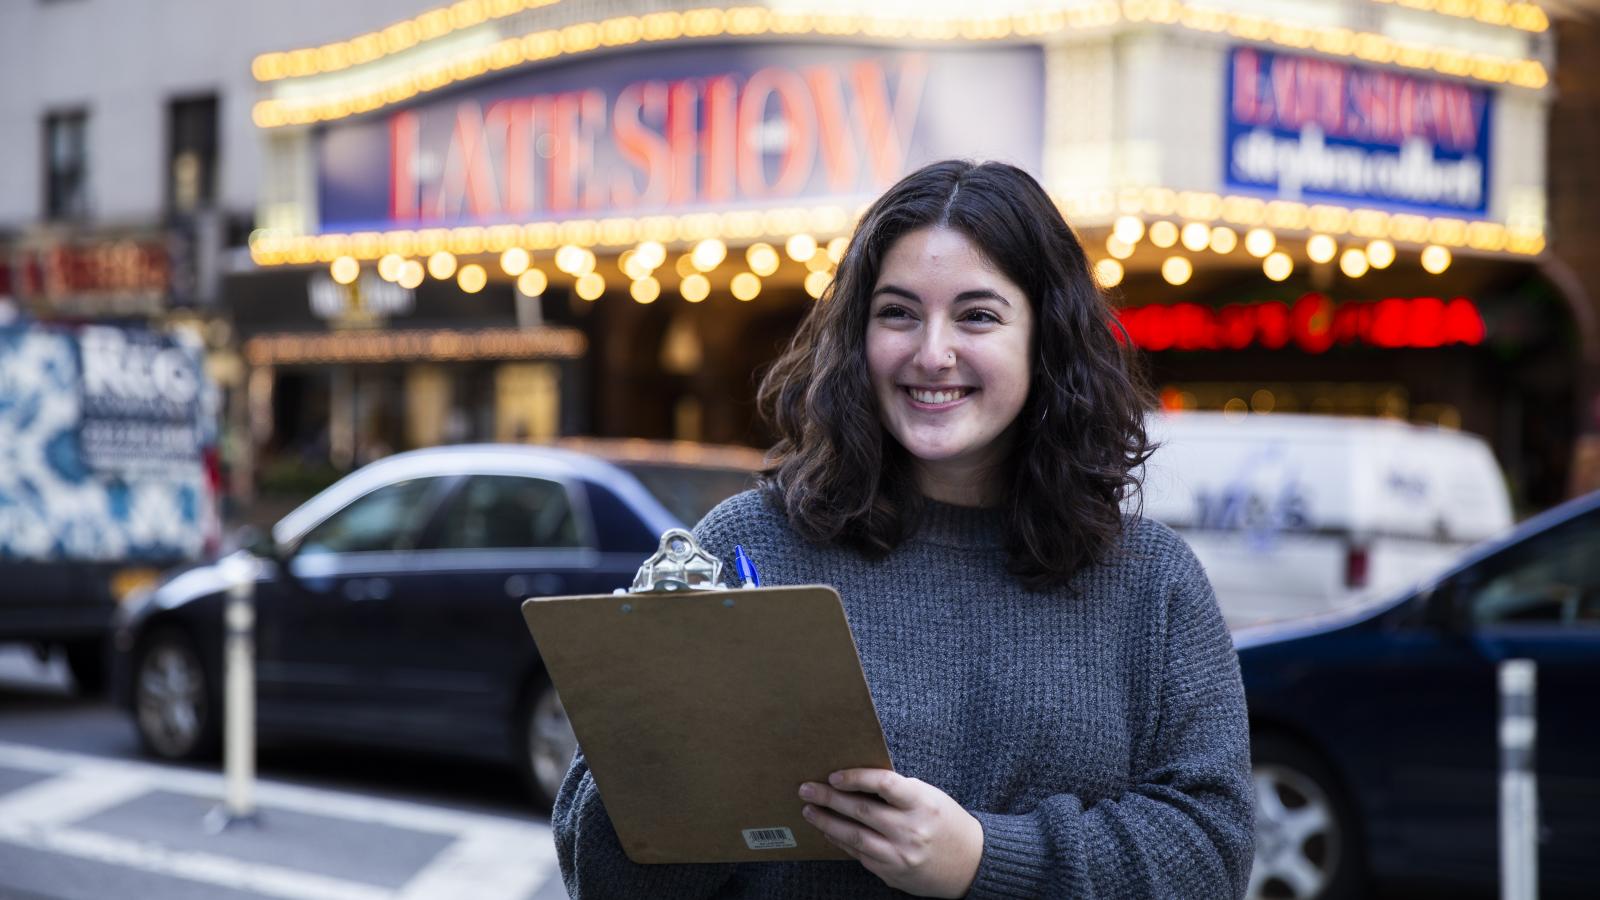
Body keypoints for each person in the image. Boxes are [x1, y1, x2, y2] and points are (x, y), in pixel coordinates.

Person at [554, 160, 1254, 898]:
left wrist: (984, 859)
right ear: (859, 332)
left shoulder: (1151, 578)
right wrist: (667, 750)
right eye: (898, 313)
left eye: (977, 315)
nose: (931, 354)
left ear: (1045, 337)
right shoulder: (744, 544)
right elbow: (598, 873)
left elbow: (1211, 856)